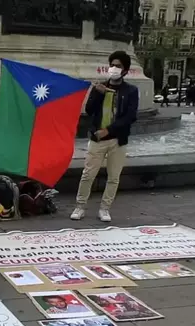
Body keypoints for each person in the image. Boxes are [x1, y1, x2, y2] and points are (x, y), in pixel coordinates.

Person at [70, 51, 138, 223]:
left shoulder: (131, 91)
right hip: (97, 139)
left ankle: (105, 209)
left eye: (118, 66)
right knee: (88, 174)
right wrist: (98, 93)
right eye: (112, 65)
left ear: (125, 70)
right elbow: (89, 110)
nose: (114, 68)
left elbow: (130, 116)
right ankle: (80, 206)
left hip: (118, 140)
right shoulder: (99, 86)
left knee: (114, 177)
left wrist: (109, 130)